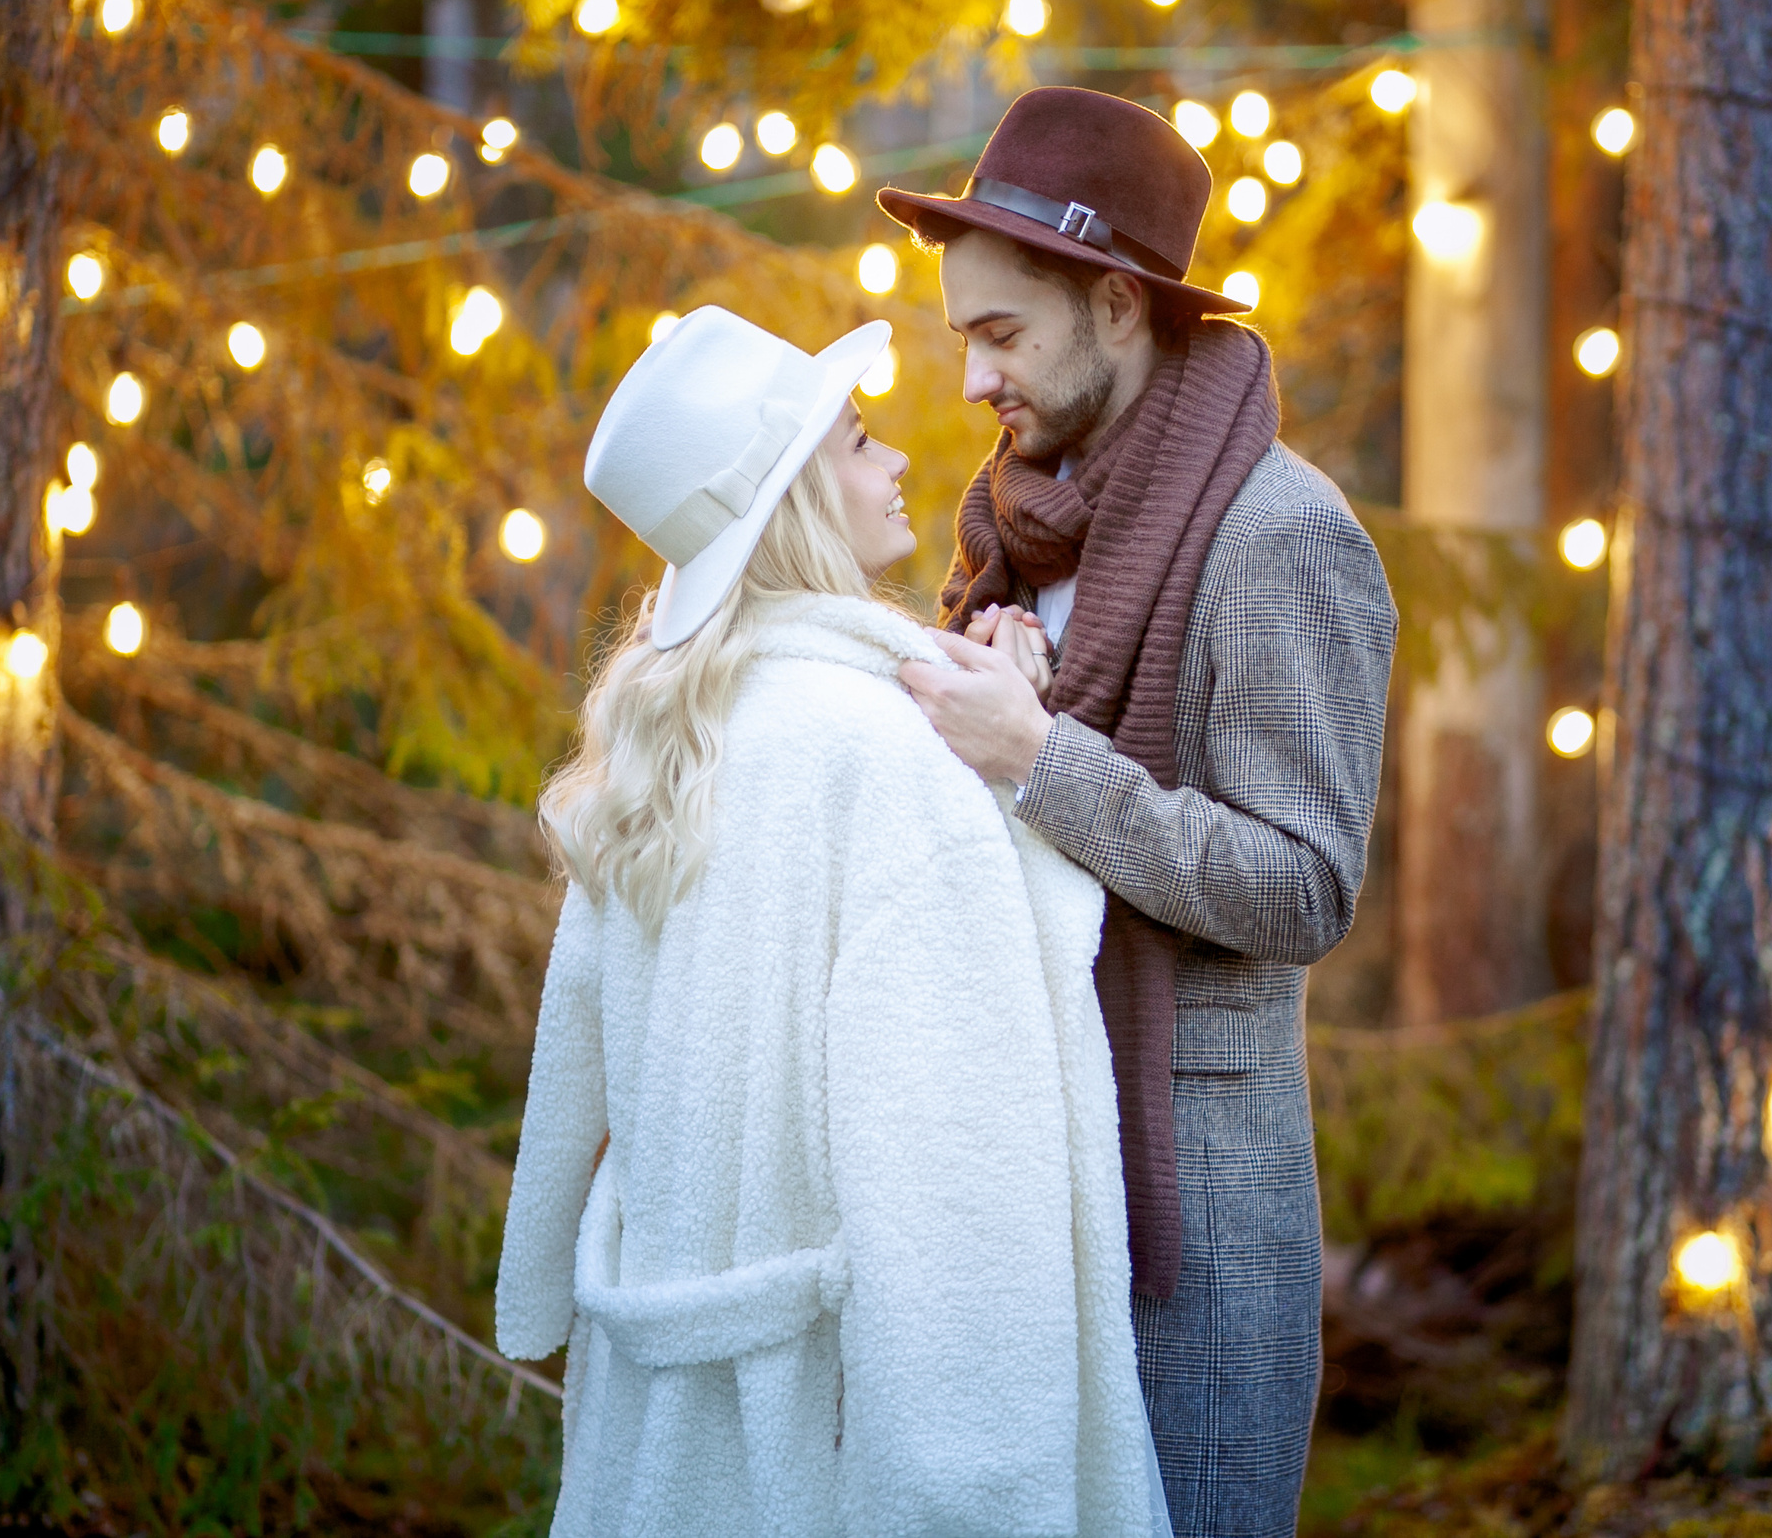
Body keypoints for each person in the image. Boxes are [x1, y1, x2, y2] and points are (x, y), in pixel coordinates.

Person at [493, 305, 1169, 1538]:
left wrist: (538, 1274)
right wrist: (1012, 767)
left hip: (651, 1408)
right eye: (859, 441)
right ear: (797, 497)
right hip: (823, 1429)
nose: (902, 458)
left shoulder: (650, 753)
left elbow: (567, 1079)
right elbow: (954, 1149)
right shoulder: (877, 754)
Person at [879, 87, 1399, 1537]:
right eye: (962, 337)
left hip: (1193, 1216)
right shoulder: (1017, 528)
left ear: (1117, 306)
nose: (973, 381)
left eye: (1002, 334)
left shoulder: (1284, 535)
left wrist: (1043, 757)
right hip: (1013, 1170)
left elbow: (1306, 885)